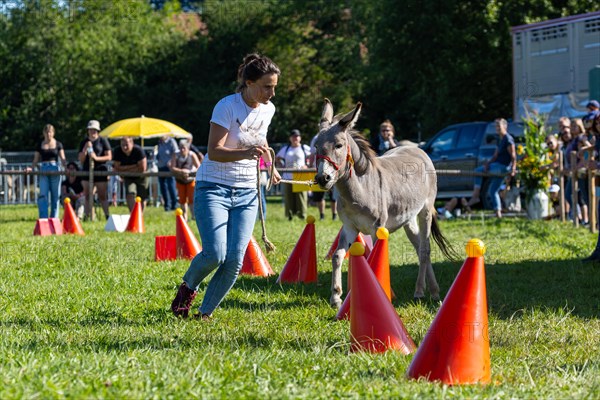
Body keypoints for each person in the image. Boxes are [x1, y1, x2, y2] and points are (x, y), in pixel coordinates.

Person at [171, 53, 281, 319]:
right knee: (215, 254)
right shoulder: (226, 106)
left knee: (234, 261)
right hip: (213, 188)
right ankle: (187, 288)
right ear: (249, 82)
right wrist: (246, 153)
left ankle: (204, 313)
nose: (272, 93)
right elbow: (215, 151)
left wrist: (271, 165)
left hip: (247, 193)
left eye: (275, 86)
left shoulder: (268, 109)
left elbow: (260, 140)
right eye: (267, 86)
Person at [466, 118, 516, 218]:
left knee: (477, 171)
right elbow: (495, 155)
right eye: (496, 126)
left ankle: (475, 196)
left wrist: (513, 169)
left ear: (504, 126)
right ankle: (498, 213)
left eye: (499, 126)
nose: (497, 128)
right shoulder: (500, 139)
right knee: (492, 191)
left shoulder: (508, 139)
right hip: (496, 165)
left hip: (503, 167)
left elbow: (513, 155)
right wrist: (487, 164)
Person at [30, 124, 67, 218]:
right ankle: (43, 218)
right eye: (46, 132)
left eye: (50, 132)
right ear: (44, 133)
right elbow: (35, 159)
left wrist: (66, 168)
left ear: (53, 133)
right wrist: (31, 168)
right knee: (43, 195)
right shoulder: (40, 145)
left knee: (56, 196)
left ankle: (54, 218)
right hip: (43, 169)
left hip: (55, 169)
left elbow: (63, 158)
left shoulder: (58, 144)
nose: (48, 134)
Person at [78, 120, 112, 220]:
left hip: (100, 170)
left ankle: (107, 216)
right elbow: (81, 159)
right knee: (88, 195)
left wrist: (96, 158)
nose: (93, 132)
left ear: (98, 131)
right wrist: (85, 149)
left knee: (102, 195)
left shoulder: (103, 141)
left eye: (95, 130)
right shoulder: (84, 142)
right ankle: (88, 216)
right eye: (91, 130)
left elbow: (109, 156)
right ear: (88, 130)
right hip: (86, 170)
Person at [276, 129, 311, 220]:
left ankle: (302, 215)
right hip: (287, 176)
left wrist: (307, 165)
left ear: (300, 138)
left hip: (301, 176)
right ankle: (290, 215)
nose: (295, 138)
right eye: (293, 136)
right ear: (290, 138)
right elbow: (277, 158)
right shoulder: (286, 149)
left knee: (301, 196)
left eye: (297, 136)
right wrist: (282, 166)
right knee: (288, 196)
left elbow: (313, 156)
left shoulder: (304, 148)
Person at [112, 137, 149, 211]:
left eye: (126, 145)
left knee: (142, 197)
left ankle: (140, 215)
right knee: (130, 194)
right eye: (122, 145)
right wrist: (135, 166)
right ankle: (133, 214)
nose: (125, 147)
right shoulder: (117, 151)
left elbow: (142, 168)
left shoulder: (138, 150)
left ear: (132, 143)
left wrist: (124, 168)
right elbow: (116, 168)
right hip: (128, 177)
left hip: (142, 177)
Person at [170, 139, 201, 220]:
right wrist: (181, 171)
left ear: (188, 148)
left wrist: (189, 172)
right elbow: (172, 167)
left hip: (190, 180)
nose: (182, 150)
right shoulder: (175, 155)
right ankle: (184, 217)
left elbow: (199, 167)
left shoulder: (192, 155)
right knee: (182, 200)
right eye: (180, 148)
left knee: (192, 199)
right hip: (180, 180)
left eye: (184, 148)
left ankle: (194, 216)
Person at [308, 133, 337, 220]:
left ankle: (334, 215)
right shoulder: (316, 138)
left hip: (332, 170)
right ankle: (322, 216)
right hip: (318, 170)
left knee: (333, 196)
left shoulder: (334, 136)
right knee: (319, 196)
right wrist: (310, 166)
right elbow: (312, 154)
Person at [157, 135, 179, 211]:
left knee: (171, 186)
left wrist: (172, 162)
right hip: (160, 167)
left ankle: (174, 204)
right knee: (163, 187)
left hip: (169, 167)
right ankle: (167, 205)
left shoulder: (171, 141)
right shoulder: (159, 142)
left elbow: (176, 153)